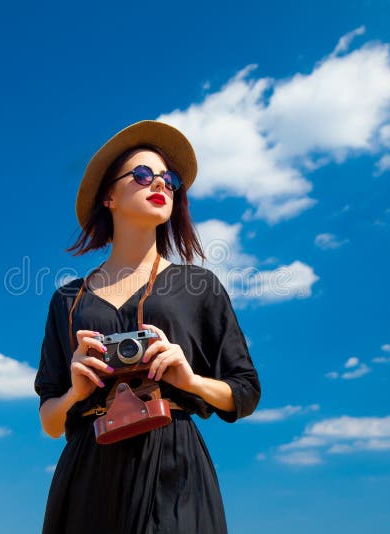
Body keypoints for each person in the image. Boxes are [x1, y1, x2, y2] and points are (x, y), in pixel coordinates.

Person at [34, 120, 261, 534]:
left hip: (174, 463)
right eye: (142, 175)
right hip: (90, 467)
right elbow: (50, 421)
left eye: (168, 179)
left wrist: (191, 380)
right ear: (109, 196)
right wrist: (75, 392)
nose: (159, 183)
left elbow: (245, 391)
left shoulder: (200, 286)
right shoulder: (67, 301)